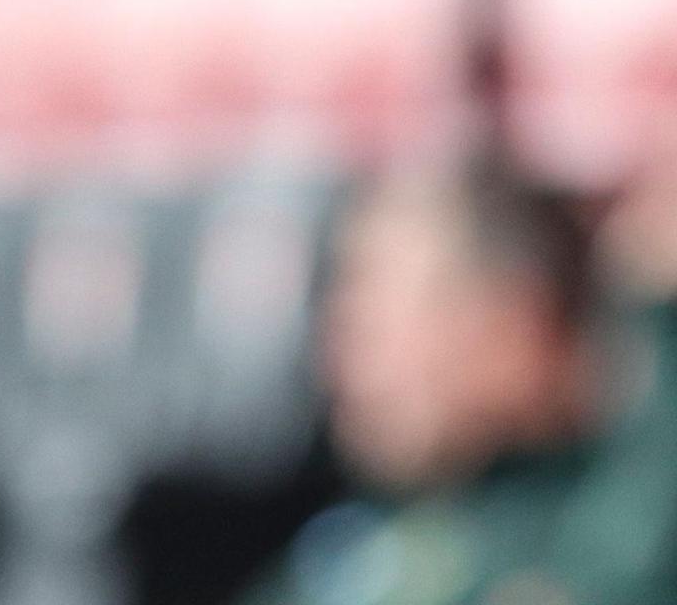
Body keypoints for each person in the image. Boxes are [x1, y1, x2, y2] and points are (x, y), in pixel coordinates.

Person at [244, 163, 673, 605]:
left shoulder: (645, 488)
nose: (343, 368)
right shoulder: (402, 531)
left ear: (514, 322)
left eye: (375, 327)